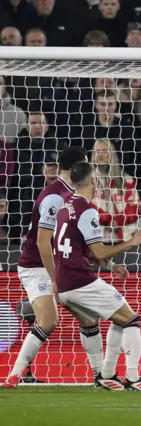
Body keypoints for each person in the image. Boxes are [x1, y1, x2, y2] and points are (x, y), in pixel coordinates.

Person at [2, 148, 97, 389]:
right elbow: (44, 242)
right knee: (47, 321)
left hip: (61, 264)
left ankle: (101, 375)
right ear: (77, 168)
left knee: (88, 318)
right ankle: (14, 375)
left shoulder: (74, 195)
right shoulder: (56, 197)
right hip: (37, 266)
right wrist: (56, 278)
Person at [53, 162, 141, 391]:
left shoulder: (64, 207)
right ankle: (134, 378)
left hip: (64, 282)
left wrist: (109, 265)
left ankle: (105, 374)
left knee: (106, 319)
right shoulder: (87, 211)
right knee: (131, 319)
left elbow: (83, 248)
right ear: (94, 182)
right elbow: (97, 250)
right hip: (81, 281)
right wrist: (130, 242)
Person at [90, 138, 141, 243]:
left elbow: (134, 208)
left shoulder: (127, 180)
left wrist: (118, 221)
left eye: (104, 151)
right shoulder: (87, 181)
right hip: (96, 238)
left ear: (111, 154)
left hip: (125, 237)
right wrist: (108, 220)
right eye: (97, 152)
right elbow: (86, 206)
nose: (99, 155)